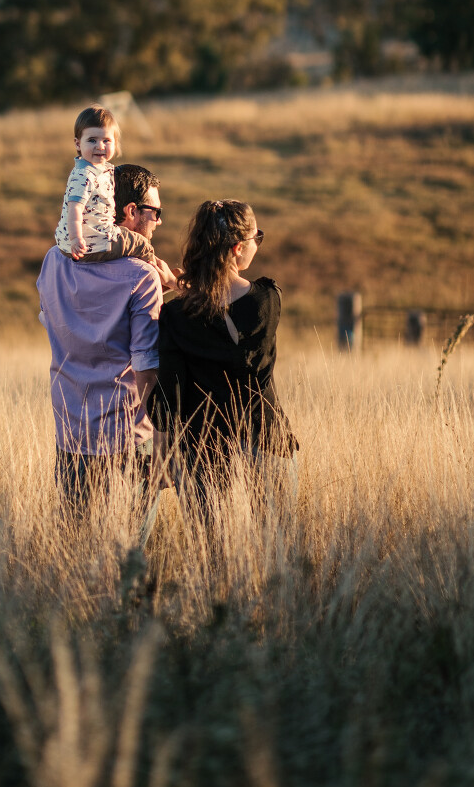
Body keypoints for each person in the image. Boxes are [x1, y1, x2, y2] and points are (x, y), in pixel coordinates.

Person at [36, 156, 174, 507]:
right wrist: (161, 439)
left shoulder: (54, 260)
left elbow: (59, 321)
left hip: (71, 431)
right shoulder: (142, 275)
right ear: (131, 211)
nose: (159, 221)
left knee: (77, 538)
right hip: (128, 436)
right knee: (128, 540)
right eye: (155, 212)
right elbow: (146, 366)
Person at [149, 199, 297, 490]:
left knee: (210, 524)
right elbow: (225, 311)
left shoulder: (176, 317)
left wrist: (160, 458)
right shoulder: (268, 298)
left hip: (205, 457)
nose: (258, 244)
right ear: (238, 248)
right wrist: (182, 286)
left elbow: (169, 397)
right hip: (268, 445)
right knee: (274, 523)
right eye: (257, 237)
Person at [55, 105, 156, 265]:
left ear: (115, 144)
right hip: (91, 243)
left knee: (125, 235)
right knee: (141, 244)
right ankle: (157, 274)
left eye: (106, 140)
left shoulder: (100, 169)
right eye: (92, 140)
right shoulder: (84, 175)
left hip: (91, 238)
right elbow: (74, 209)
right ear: (78, 144)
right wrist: (75, 239)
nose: (100, 146)